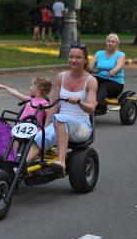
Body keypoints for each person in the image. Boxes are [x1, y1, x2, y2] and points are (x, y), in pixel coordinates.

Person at [26, 43, 98, 171]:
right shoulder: (61, 77)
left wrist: (80, 102)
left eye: (78, 57)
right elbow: (53, 106)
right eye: (71, 57)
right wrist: (45, 128)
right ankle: (18, 170)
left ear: (86, 60)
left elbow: (92, 109)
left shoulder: (91, 81)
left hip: (82, 127)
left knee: (60, 119)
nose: (73, 60)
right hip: (59, 123)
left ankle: (61, 161)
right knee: (39, 137)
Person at [90, 33, 125, 113]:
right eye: (108, 41)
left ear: (117, 44)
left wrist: (114, 70)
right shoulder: (99, 53)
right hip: (100, 78)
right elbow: (91, 65)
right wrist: (89, 68)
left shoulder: (120, 55)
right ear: (105, 42)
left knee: (102, 87)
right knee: (88, 82)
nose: (110, 43)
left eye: (113, 42)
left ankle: (96, 107)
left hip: (115, 82)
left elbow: (119, 65)